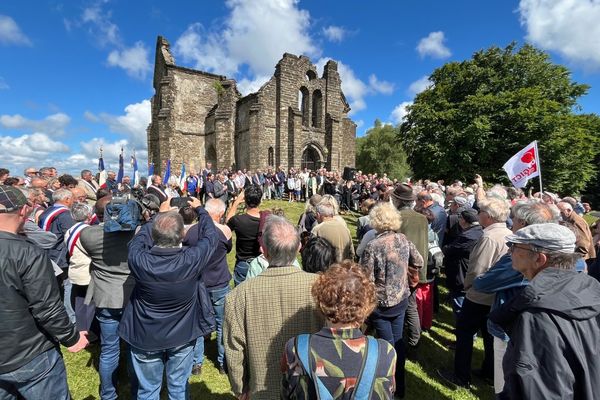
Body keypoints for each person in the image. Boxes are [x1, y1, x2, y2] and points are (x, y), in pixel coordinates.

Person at [119, 197, 217, 399]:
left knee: (148, 391)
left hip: (145, 334)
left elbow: (137, 241)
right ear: (182, 234)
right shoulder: (190, 259)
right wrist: (201, 210)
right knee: (178, 388)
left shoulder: (138, 259)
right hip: (181, 334)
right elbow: (210, 238)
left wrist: (159, 216)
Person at [490, 224, 600, 399]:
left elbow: (538, 390)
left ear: (539, 259)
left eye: (514, 247)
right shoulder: (589, 290)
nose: (509, 252)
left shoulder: (537, 316)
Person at [0, 185, 87, 400]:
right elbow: (46, 307)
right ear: (23, 211)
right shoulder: (27, 252)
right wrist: (72, 337)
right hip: (29, 353)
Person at [223, 215, 323, 399]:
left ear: (264, 251)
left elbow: (234, 349)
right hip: (311, 387)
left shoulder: (238, 296)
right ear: (299, 247)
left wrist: (240, 388)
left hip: (264, 389)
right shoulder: (321, 287)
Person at [473, 200, 558, 395]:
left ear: (525, 225)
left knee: (506, 387)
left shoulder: (524, 254)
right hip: (542, 331)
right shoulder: (564, 254)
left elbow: (483, 283)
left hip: (511, 329)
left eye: (516, 220)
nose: (512, 223)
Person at [282, 260, 397, 399]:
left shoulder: (296, 349)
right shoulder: (386, 353)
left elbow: (287, 394)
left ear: (321, 299)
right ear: (367, 305)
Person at [438, 196, 512, 388]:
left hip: (479, 295)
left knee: (464, 334)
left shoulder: (488, 237)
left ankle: (461, 377)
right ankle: (489, 372)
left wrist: (468, 286)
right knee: (489, 337)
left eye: (480, 212)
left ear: (488, 216)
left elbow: (478, 268)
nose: (477, 215)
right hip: (495, 295)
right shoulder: (508, 233)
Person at [360, 202, 424, 398]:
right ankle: (400, 387)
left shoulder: (373, 246)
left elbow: (366, 279)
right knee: (397, 342)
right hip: (401, 299)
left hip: (381, 305)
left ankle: (390, 389)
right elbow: (419, 261)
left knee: (389, 347)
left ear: (376, 221)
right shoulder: (403, 239)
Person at [79, 196, 138, 399]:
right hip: (132, 296)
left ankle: (108, 394)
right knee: (133, 348)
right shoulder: (137, 234)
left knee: (109, 349)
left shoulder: (88, 234)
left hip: (105, 296)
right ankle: (137, 390)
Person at [186, 198, 233, 376]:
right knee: (222, 324)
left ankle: (196, 363)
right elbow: (228, 249)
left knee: (197, 323)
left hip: (198, 282)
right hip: (219, 281)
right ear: (220, 214)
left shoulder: (190, 231)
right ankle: (222, 362)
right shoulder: (224, 231)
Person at [390, 183, 429, 350]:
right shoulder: (422, 218)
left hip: (402, 269)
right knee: (411, 305)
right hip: (418, 267)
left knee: (406, 306)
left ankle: (412, 341)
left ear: (398, 200)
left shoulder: (397, 218)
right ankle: (414, 340)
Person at [442, 208, 483, 317]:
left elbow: (450, 249)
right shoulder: (480, 231)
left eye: (460, 217)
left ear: (464, 220)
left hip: (461, 274)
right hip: (470, 272)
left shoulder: (467, 236)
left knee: (460, 305)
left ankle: (463, 328)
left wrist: (445, 248)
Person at [226, 185, 263, 286]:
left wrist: (236, 202)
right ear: (260, 201)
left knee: (240, 297)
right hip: (261, 261)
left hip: (243, 263)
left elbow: (227, 224)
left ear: (245, 200)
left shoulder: (238, 220)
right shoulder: (266, 219)